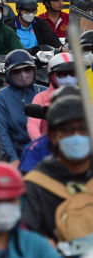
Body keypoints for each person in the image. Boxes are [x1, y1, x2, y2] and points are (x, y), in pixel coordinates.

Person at [23, 89, 91, 243]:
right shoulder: (36, 186)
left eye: (83, 128)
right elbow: (26, 239)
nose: (76, 135)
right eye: (66, 129)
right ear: (53, 137)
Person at [0, 50, 47, 168]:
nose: (23, 75)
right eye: (17, 71)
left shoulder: (44, 92)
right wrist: (13, 159)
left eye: (27, 69)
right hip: (17, 153)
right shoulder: (2, 96)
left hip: (46, 152)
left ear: (34, 70)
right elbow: (2, 131)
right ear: (8, 74)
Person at [27, 53, 77, 140]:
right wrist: (39, 143)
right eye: (63, 74)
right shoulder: (41, 98)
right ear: (52, 76)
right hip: (49, 148)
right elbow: (33, 124)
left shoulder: (82, 97)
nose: (69, 79)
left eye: (73, 73)